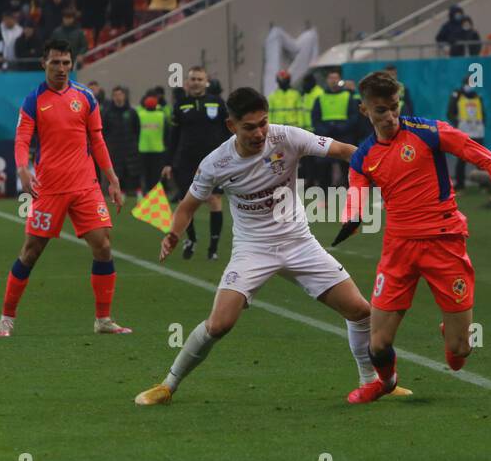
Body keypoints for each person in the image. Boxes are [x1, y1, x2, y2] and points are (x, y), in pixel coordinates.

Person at [135, 88, 412, 406]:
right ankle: (168, 384)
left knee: (361, 312)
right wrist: (173, 233)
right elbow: (187, 206)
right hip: (253, 250)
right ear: (231, 126)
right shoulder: (216, 163)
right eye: (249, 127)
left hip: (299, 243)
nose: (259, 133)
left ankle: (372, 382)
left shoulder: (287, 137)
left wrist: (387, 167)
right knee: (219, 324)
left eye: (263, 123)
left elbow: (345, 150)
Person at [332, 72, 491, 402]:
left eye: (394, 108)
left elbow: (489, 160)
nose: (390, 117)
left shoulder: (429, 132)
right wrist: (350, 220)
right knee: (378, 344)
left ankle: (454, 335)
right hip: (398, 248)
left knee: (458, 355)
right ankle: (385, 383)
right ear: (364, 110)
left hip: (444, 242)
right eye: (381, 110)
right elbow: (356, 197)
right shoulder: (363, 157)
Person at [0, 39, 130, 338]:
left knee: (103, 247)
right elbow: (21, 141)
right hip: (49, 189)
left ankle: (103, 319)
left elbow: (97, 141)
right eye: (55, 62)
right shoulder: (34, 100)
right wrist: (22, 169)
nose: (61, 68)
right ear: (44, 63)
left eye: (66, 62)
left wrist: (113, 179)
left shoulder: (86, 97)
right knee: (30, 252)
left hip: (85, 186)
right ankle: (6, 318)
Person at [163, 66, 228, 260]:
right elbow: (173, 136)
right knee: (186, 203)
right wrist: (168, 162)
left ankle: (213, 248)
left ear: (206, 82)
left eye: (200, 79)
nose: (196, 82)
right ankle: (191, 238)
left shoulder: (218, 103)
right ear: (187, 82)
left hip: (214, 162)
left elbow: (228, 132)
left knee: (215, 200)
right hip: (186, 161)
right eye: (193, 79)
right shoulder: (180, 105)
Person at [101, 85, 142, 199]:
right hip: (115, 148)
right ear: (113, 97)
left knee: (133, 170)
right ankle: (121, 192)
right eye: (115, 95)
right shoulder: (108, 113)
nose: (118, 97)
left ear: (124, 96)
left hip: (130, 147)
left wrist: (134, 142)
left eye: (120, 95)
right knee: (118, 170)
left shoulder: (132, 112)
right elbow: (104, 131)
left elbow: (137, 129)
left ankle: (138, 192)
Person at [136, 88, 170, 194]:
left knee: (145, 175)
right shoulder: (161, 115)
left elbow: (135, 130)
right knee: (155, 176)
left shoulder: (140, 114)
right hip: (158, 149)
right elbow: (167, 132)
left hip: (143, 148)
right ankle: (154, 195)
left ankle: (145, 194)